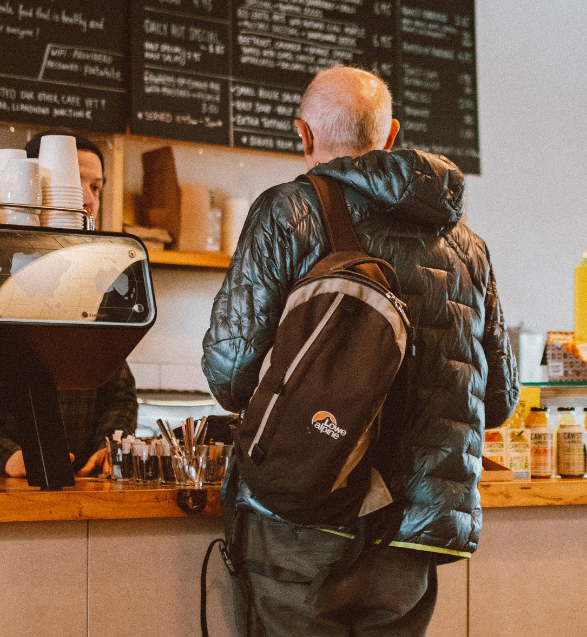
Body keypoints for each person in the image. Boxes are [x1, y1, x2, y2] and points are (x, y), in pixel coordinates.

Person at [203, 66, 518, 635]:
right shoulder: (468, 246)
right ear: (390, 136)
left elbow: (230, 373)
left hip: (304, 517)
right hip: (413, 532)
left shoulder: (288, 211)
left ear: (304, 136)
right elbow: (497, 400)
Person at [0, 130, 137, 478]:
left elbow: (118, 393)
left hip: (77, 483)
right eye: (73, 182)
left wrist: (110, 445)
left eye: (96, 188)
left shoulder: (94, 280)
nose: (89, 200)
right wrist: (6, 456)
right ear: (30, 184)